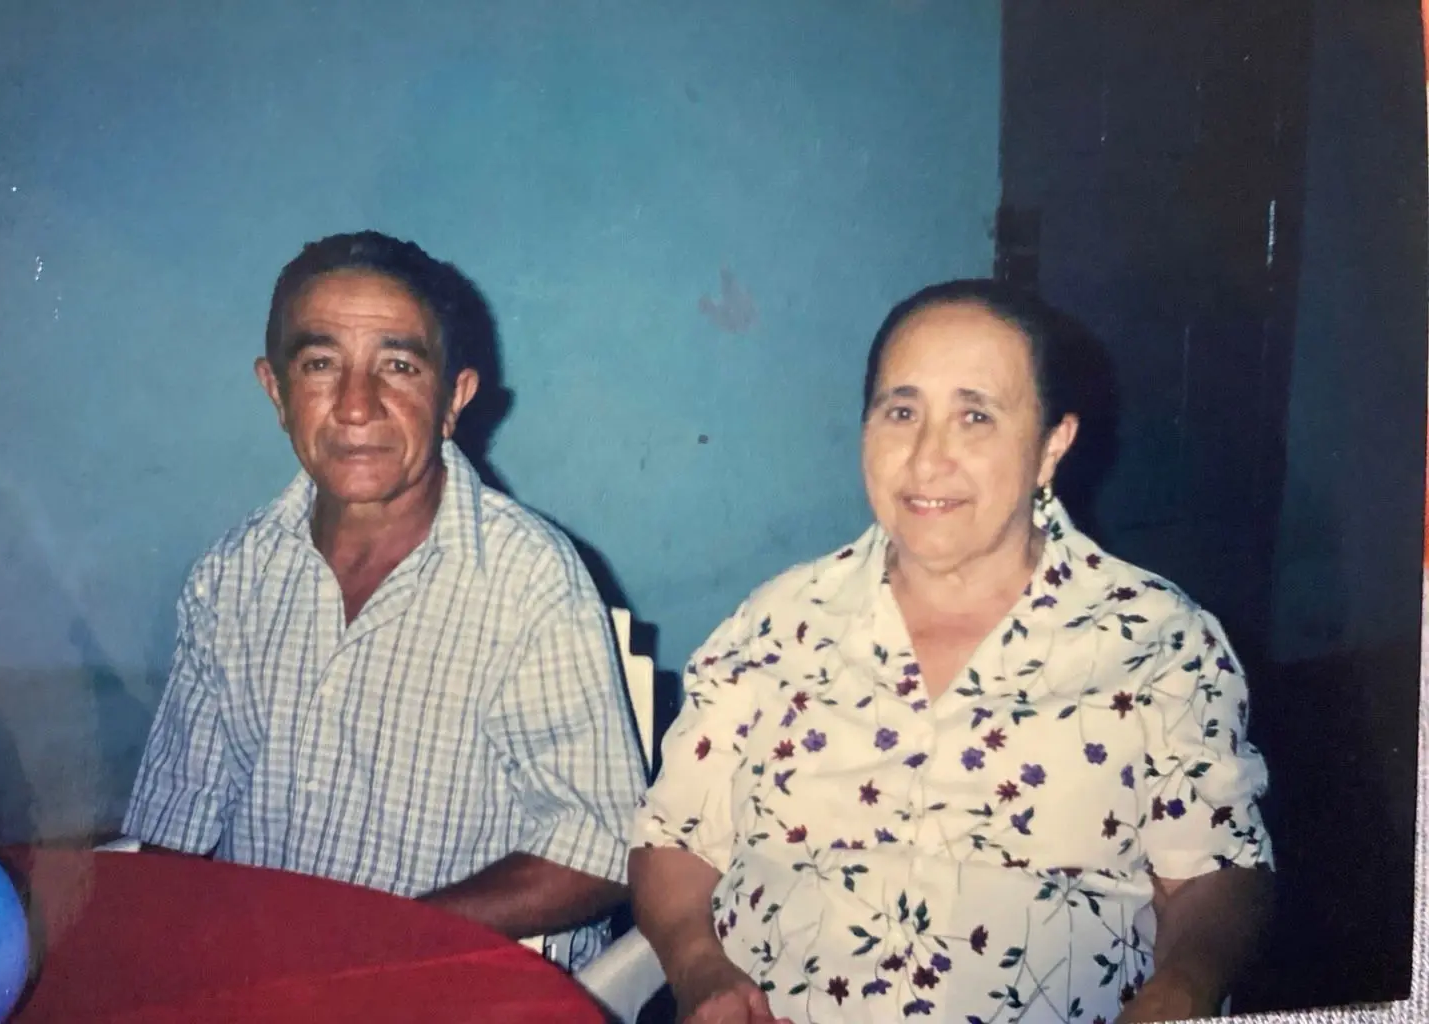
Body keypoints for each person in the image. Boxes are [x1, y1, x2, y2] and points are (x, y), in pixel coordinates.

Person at [629, 280, 1274, 1024]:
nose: (928, 458)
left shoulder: (1160, 641)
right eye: (901, 412)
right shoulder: (775, 625)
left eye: (975, 417)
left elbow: (1217, 871)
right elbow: (673, 840)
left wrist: (1180, 988)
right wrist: (699, 966)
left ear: (1051, 445)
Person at [122, 231, 647, 969]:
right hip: (264, 977)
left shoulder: (528, 580)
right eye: (320, 364)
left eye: (398, 366)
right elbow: (173, 826)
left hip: (458, 978)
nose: (356, 405)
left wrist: (370, 942)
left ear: (453, 399)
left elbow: (602, 844)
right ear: (275, 391)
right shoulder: (231, 576)